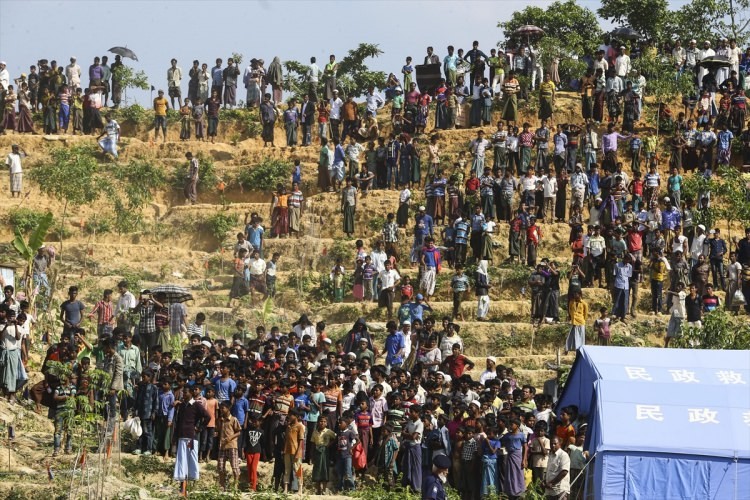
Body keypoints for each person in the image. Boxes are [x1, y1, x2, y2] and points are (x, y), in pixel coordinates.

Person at [173, 388, 210, 492]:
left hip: (191, 437)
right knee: (181, 460)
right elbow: (178, 422)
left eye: (185, 392)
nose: (183, 394)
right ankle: (182, 486)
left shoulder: (197, 405)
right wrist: (175, 436)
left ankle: (192, 485)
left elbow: (207, 417)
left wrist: (200, 428)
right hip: (181, 437)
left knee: (192, 460)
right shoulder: (181, 406)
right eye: (182, 392)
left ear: (191, 393)